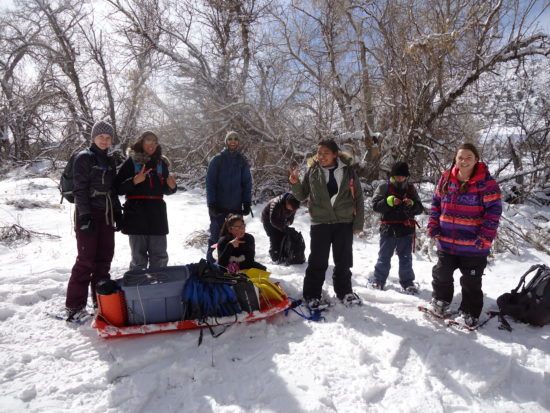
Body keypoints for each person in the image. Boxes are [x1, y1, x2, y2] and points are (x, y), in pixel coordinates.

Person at [427, 142, 502, 327]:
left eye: (469, 157)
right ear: (455, 159)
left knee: (471, 281)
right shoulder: (446, 178)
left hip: (473, 245)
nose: (464, 161)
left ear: (476, 159)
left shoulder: (486, 183)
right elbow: (436, 203)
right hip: (447, 242)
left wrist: (485, 237)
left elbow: (494, 211)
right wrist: (433, 224)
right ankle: (441, 301)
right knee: (441, 274)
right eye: (460, 157)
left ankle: (470, 312)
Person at [289, 139, 365, 309]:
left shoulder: (348, 171)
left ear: (335, 154)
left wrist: (358, 223)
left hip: (343, 222)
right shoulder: (313, 171)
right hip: (320, 222)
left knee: (344, 260)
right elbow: (302, 196)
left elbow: (358, 197)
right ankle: (312, 294)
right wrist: (295, 184)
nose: (321, 156)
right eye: (319, 153)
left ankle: (345, 291)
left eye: (325, 153)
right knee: (318, 260)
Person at [65, 120, 122, 322]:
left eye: (108, 137)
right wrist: (85, 215)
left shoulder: (109, 160)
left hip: (106, 213)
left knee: (104, 258)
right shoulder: (84, 158)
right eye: (101, 137)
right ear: (93, 138)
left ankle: (101, 302)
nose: (105, 141)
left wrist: (118, 212)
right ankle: (74, 306)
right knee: (86, 260)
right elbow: (80, 189)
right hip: (88, 213)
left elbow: (112, 189)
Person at [114, 131, 177, 270]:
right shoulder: (131, 163)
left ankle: (158, 288)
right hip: (136, 215)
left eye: (155, 141)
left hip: (157, 215)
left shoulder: (161, 163)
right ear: (141, 142)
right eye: (149, 140)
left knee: (160, 257)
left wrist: (172, 187)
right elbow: (117, 188)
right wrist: (134, 181)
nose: (152, 144)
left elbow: (165, 189)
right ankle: (138, 289)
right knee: (138, 259)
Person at [369, 161, 424, 293]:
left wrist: (411, 203)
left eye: (402, 176)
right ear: (392, 175)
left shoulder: (410, 189)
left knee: (406, 257)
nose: (400, 178)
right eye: (397, 175)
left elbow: (419, 208)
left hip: (406, 229)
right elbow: (375, 205)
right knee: (384, 256)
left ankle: (408, 282)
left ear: (406, 176)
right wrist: (389, 201)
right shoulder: (384, 187)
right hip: (388, 228)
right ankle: (378, 280)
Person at [205, 131, 252, 263]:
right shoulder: (217, 159)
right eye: (230, 139)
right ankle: (211, 265)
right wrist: (211, 204)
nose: (233, 141)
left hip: (236, 208)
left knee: (236, 238)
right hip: (218, 207)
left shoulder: (242, 161)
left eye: (236, 139)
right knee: (216, 237)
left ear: (238, 142)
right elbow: (210, 183)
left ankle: (234, 267)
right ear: (226, 141)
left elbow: (247, 183)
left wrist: (247, 202)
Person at [261, 192, 301, 262]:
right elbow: (273, 220)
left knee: (283, 236)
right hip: (268, 221)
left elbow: (291, 217)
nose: (291, 210)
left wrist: (288, 222)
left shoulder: (294, 205)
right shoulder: (276, 203)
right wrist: (284, 228)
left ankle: (282, 254)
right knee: (274, 237)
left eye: (293, 209)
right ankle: (275, 256)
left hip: (280, 220)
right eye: (291, 208)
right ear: (287, 203)